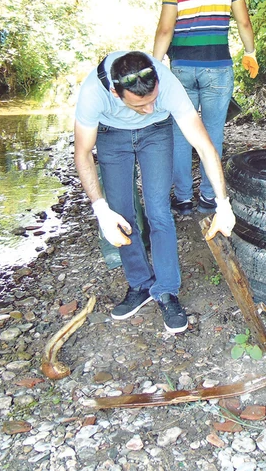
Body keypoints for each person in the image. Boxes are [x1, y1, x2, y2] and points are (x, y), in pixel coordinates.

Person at [74, 51, 236, 333]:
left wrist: (223, 203)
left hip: (157, 134)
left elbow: (205, 147)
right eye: (140, 104)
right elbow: (83, 152)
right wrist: (100, 210)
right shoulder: (93, 92)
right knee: (121, 214)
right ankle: (140, 284)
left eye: (153, 100)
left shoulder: (168, 83)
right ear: (115, 92)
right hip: (111, 136)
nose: (149, 107)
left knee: (159, 211)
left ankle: (167, 291)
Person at [153, 0, 257, 217]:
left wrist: (157, 63)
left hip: (183, 66)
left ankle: (183, 199)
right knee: (213, 133)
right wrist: (250, 53)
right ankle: (209, 198)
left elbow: (165, 29)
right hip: (218, 67)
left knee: (182, 132)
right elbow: (244, 23)